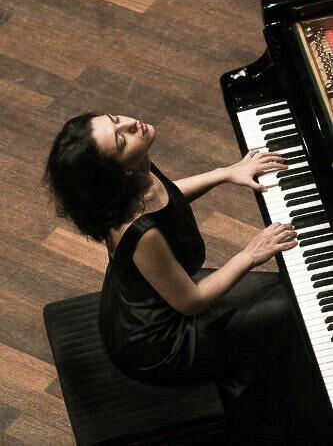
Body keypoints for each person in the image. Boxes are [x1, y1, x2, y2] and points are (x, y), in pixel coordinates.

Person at [42, 111, 332, 444]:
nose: (130, 125)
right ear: (120, 171)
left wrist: (226, 173)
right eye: (121, 139)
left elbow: (166, 195)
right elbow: (191, 301)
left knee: (288, 300)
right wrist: (250, 253)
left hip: (149, 302)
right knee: (293, 308)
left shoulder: (137, 175)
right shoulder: (140, 232)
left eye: (114, 119)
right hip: (160, 340)